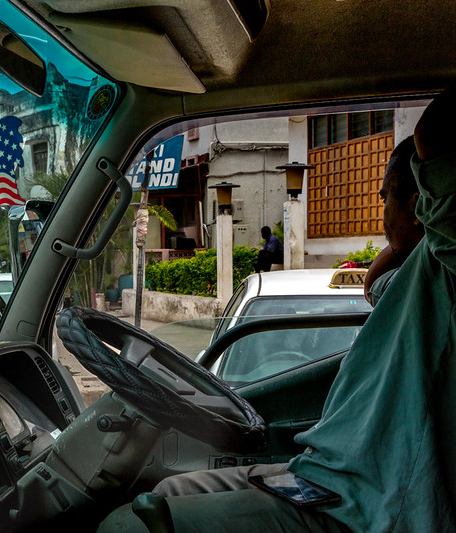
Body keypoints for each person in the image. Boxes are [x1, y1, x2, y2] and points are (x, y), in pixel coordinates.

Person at [99, 88, 456, 532]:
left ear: (427, 204)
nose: (380, 212)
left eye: (386, 199)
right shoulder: (416, 280)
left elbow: (435, 132)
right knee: (170, 491)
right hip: (329, 476)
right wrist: (404, 234)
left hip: (374, 505)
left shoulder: (449, 268)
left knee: (124, 527)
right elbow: (374, 287)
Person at [363, 136, 425, 306]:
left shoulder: (427, 279)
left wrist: (405, 245)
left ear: (416, 207)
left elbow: (372, 287)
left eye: (385, 200)